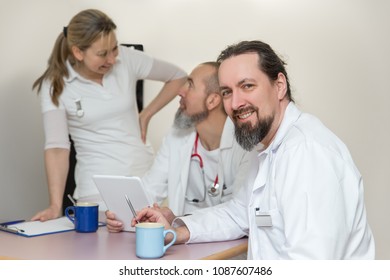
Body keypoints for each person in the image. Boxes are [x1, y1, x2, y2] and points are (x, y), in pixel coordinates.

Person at [132, 40, 375, 259]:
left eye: (247, 86)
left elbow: (311, 265)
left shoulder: (306, 153)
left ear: (279, 85)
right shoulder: (265, 146)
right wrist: (177, 228)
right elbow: (239, 214)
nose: (235, 103)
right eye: (227, 91)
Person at [31, 9, 187, 221]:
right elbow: (57, 148)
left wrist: (146, 114)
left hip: (145, 181)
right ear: (78, 52)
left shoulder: (127, 59)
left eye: (114, 49)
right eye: (103, 54)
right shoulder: (56, 85)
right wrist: (55, 206)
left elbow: (178, 76)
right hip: (97, 190)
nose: (113, 59)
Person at [106, 62, 253, 232]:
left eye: (190, 85)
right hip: (183, 244)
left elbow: (239, 214)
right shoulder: (177, 136)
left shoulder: (246, 145)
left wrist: (178, 221)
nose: (180, 91)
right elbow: (150, 189)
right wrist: (122, 215)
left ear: (212, 100)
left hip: (228, 250)